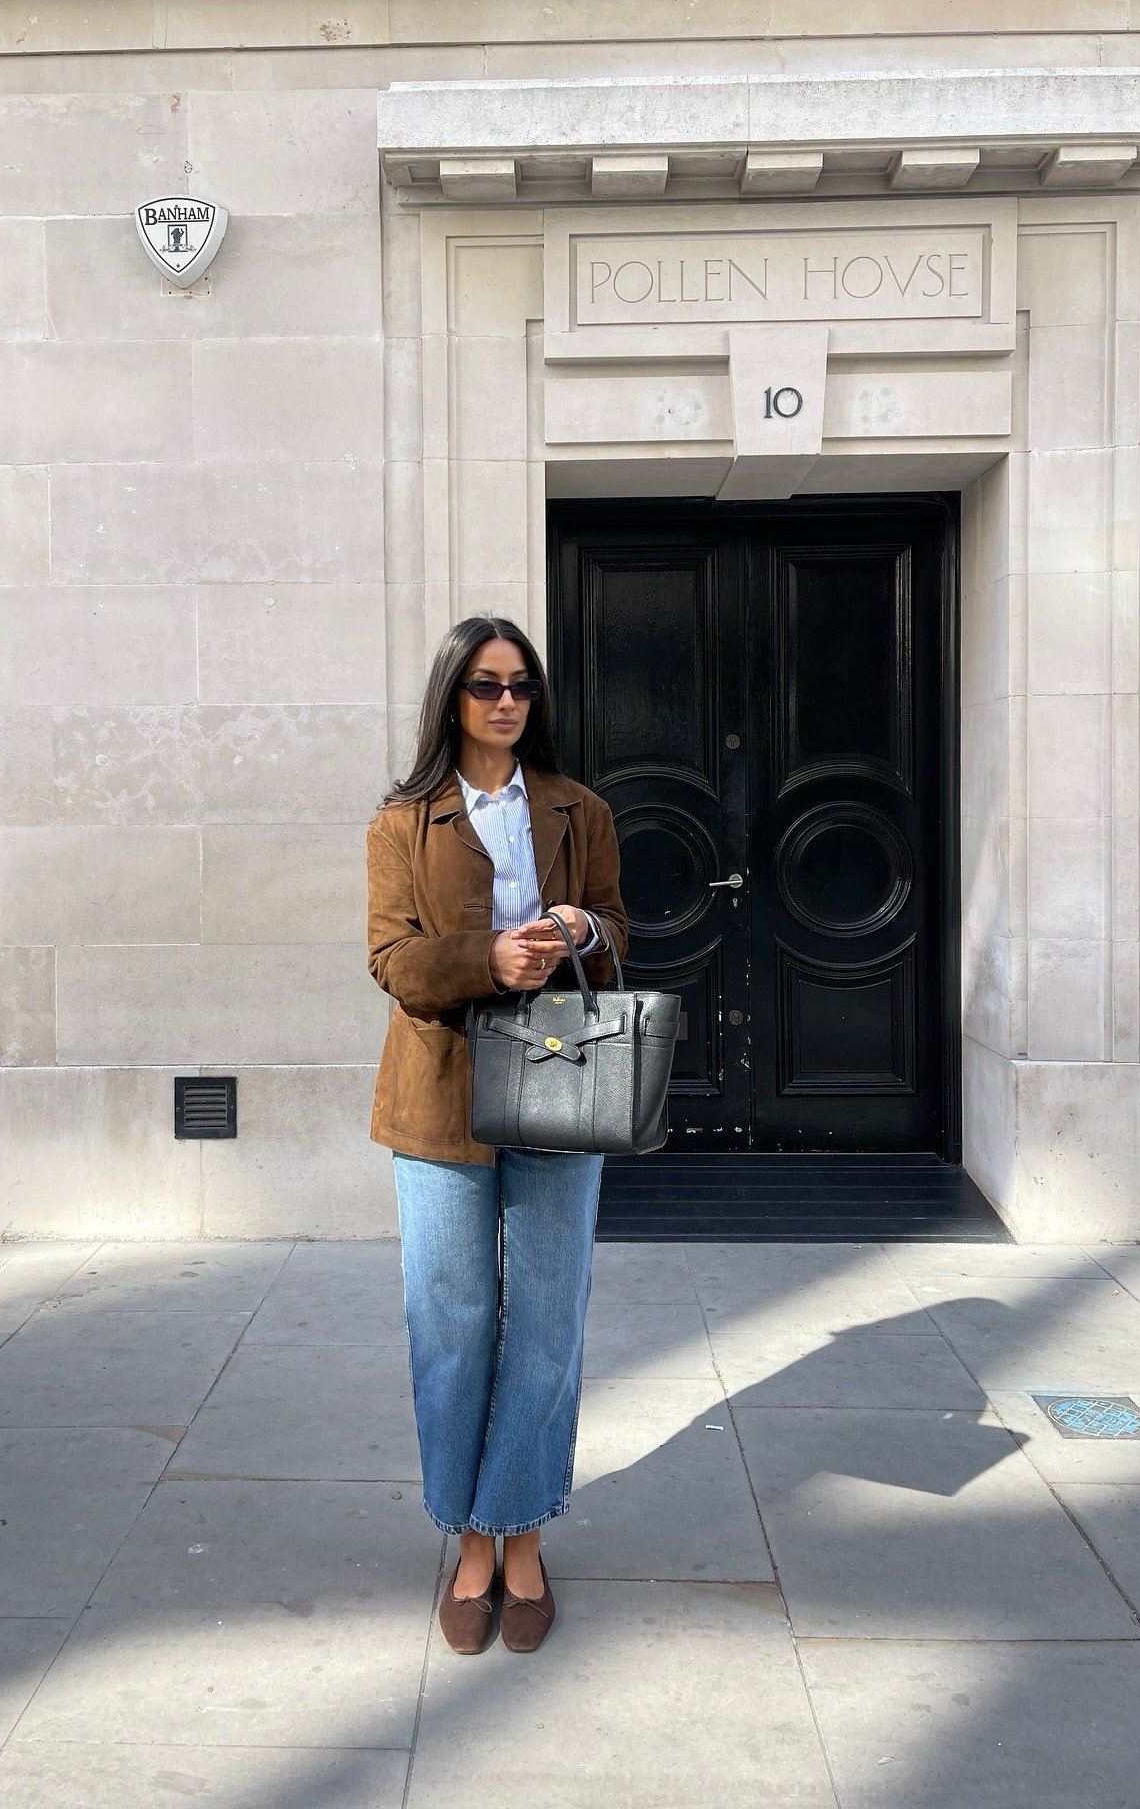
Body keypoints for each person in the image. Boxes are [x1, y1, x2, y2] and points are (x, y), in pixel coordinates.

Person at [366, 615, 629, 1655]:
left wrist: (580, 933)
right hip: (438, 1098)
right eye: (485, 685)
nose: (506, 702)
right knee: (453, 1319)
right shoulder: (403, 823)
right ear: (453, 698)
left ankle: (519, 1534)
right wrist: (490, 960)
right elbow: (393, 958)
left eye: (520, 685)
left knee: (550, 1317)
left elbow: (619, 929)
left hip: (563, 1088)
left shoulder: (580, 809)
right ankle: (469, 1538)